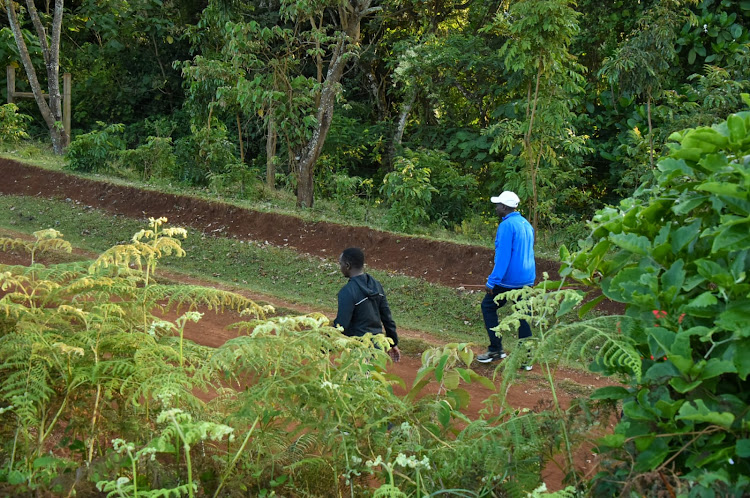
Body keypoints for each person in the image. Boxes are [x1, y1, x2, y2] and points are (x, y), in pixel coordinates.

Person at [476, 191, 536, 368]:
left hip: (509, 280)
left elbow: (503, 257)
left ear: (504, 207)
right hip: (527, 279)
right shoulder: (526, 224)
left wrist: (492, 281)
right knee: (523, 316)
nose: (496, 208)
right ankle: (526, 360)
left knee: (488, 307)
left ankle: (496, 349)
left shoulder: (506, 226)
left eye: (498, 205)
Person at [333, 247, 401, 362]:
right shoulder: (376, 286)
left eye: (341, 264)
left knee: (356, 378)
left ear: (347, 265)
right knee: (370, 378)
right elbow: (387, 318)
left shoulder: (348, 291)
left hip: (357, 349)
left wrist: (326, 345)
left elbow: (341, 325)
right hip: (377, 347)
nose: (340, 267)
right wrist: (392, 343)